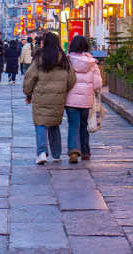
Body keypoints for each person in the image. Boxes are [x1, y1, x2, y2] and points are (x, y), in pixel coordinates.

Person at [22, 32, 76, 165]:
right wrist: (62, 90)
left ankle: (41, 153)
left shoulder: (39, 57)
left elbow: (30, 77)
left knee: (41, 124)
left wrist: (28, 94)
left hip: (41, 96)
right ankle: (56, 154)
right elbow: (72, 79)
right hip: (58, 97)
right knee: (54, 124)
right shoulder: (63, 58)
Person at [66, 35, 103, 163]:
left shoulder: (67, 61)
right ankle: (86, 152)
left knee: (73, 126)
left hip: (70, 100)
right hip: (86, 100)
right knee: (83, 125)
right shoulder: (92, 63)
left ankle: (74, 153)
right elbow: (98, 84)